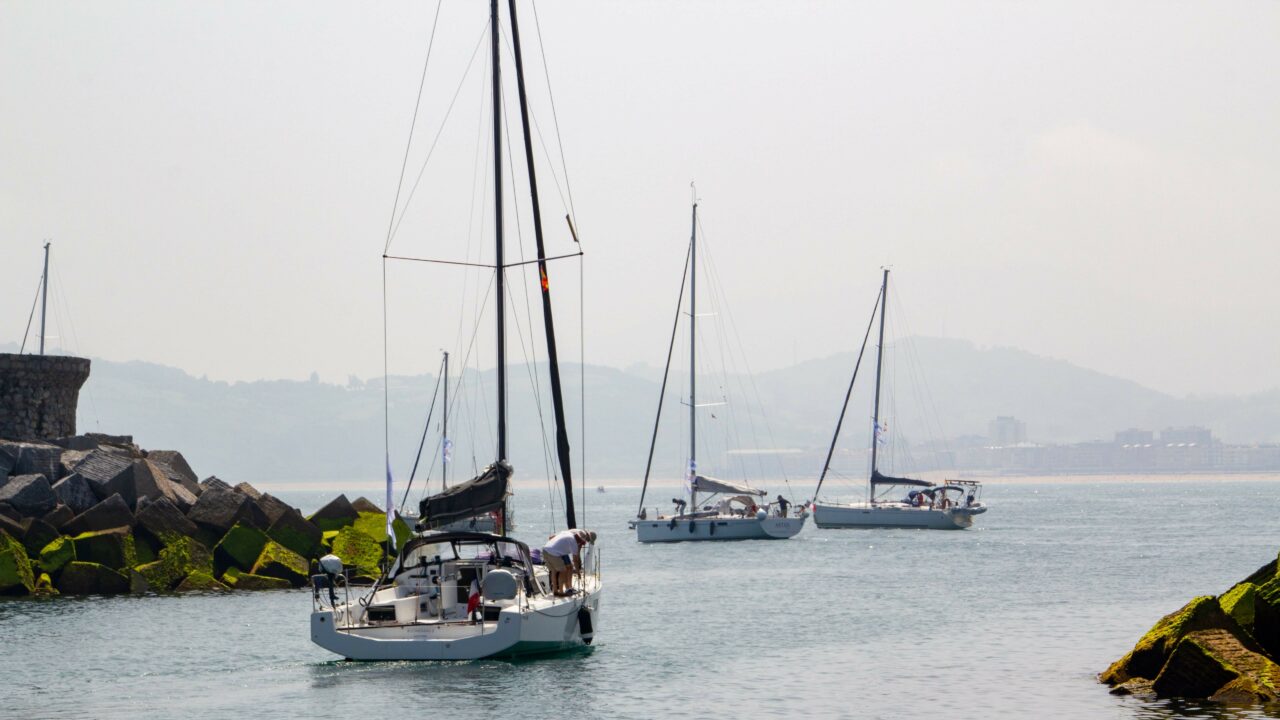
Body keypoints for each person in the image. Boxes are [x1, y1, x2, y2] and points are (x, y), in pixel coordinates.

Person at [542, 528, 596, 596]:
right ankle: (562, 591)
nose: (585, 543)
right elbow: (575, 559)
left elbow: (552, 537)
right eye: (585, 541)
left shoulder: (573, 534)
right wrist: (578, 572)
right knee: (564, 570)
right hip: (555, 552)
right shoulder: (575, 542)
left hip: (546, 549)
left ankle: (557, 590)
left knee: (555, 570)